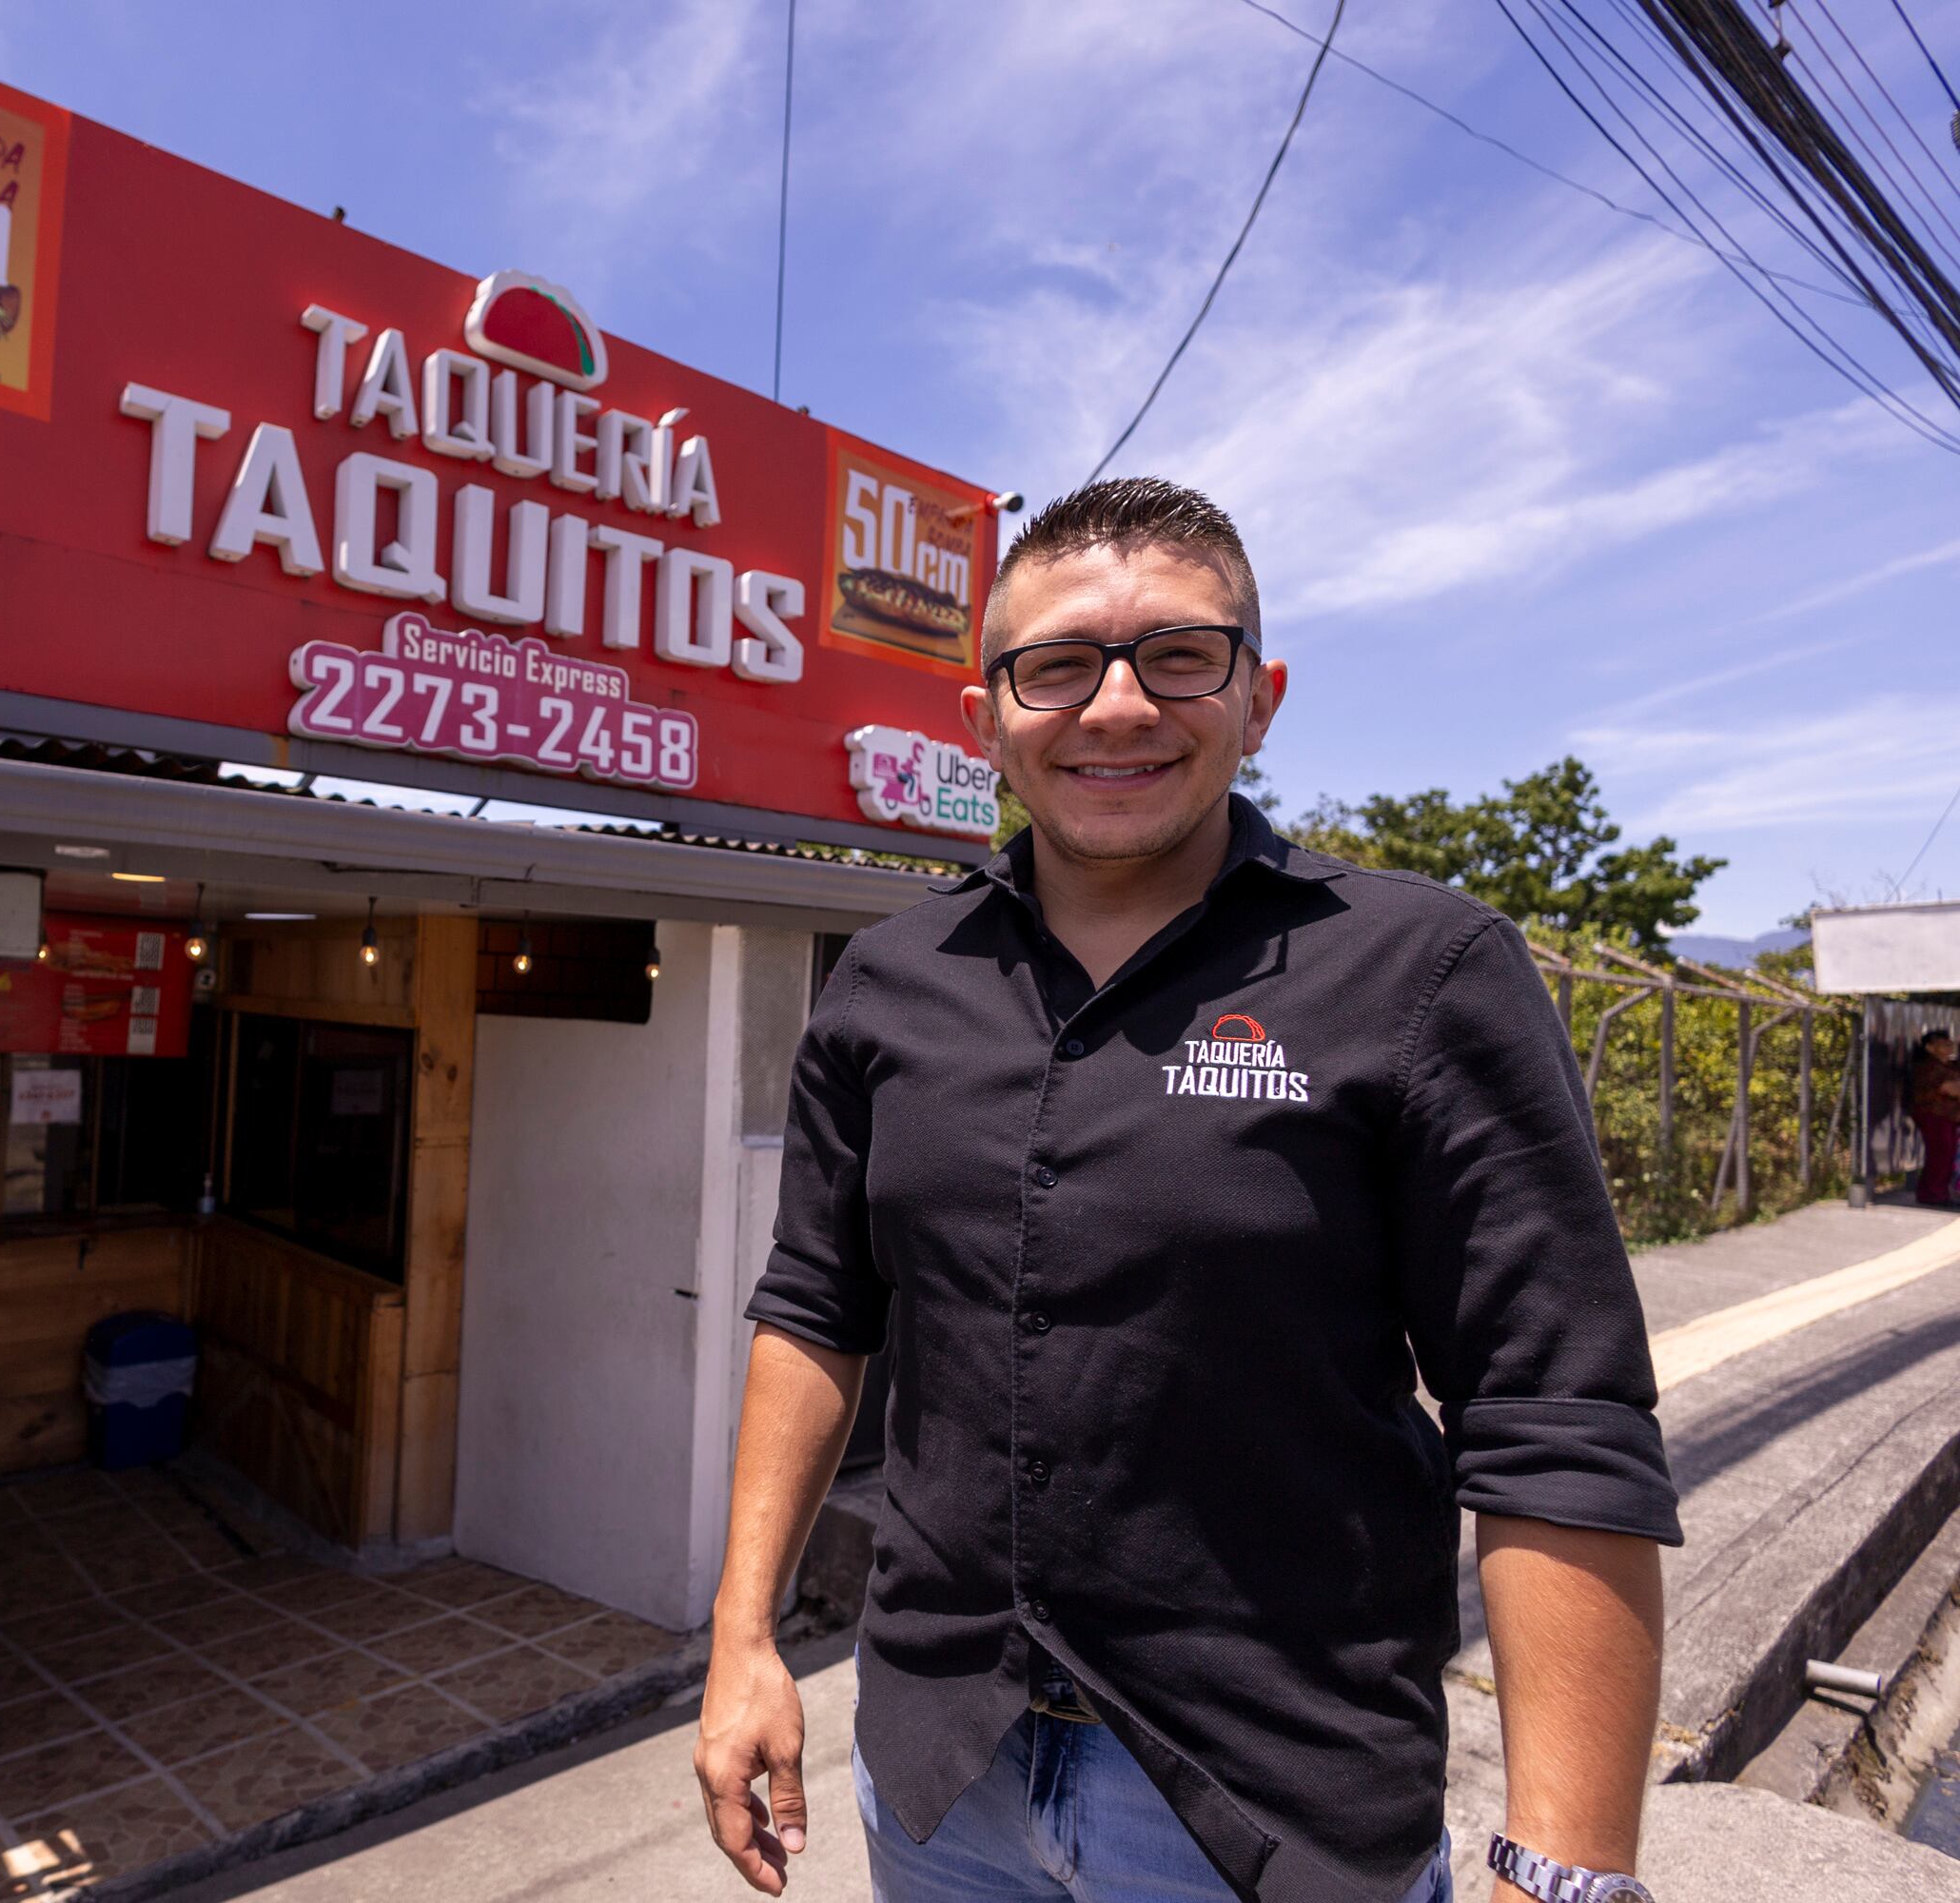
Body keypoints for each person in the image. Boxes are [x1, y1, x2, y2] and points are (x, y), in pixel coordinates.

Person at [696, 478, 1679, 1903]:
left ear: (1259, 695)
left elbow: (1554, 1419)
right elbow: (817, 1307)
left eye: (1176, 655)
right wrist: (744, 1636)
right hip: (938, 1777)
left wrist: (1569, 1870)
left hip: (1272, 1805)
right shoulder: (886, 987)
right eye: (1057, 666)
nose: (1114, 708)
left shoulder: (1422, 973)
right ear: (984, 717)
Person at [1911, 1030, 1960, 1208]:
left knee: (1947, 1154)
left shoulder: (1950, 1065)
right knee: (1939, 1152)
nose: (1949, 1046)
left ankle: (1939, 1192)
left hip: (1948, 1116)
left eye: (1950, 1042)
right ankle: (1931, 1194)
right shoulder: (1929, 1067)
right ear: (1930, 1048)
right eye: (1943, 1043)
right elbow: (1949, 1089)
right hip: (1933, 1115)